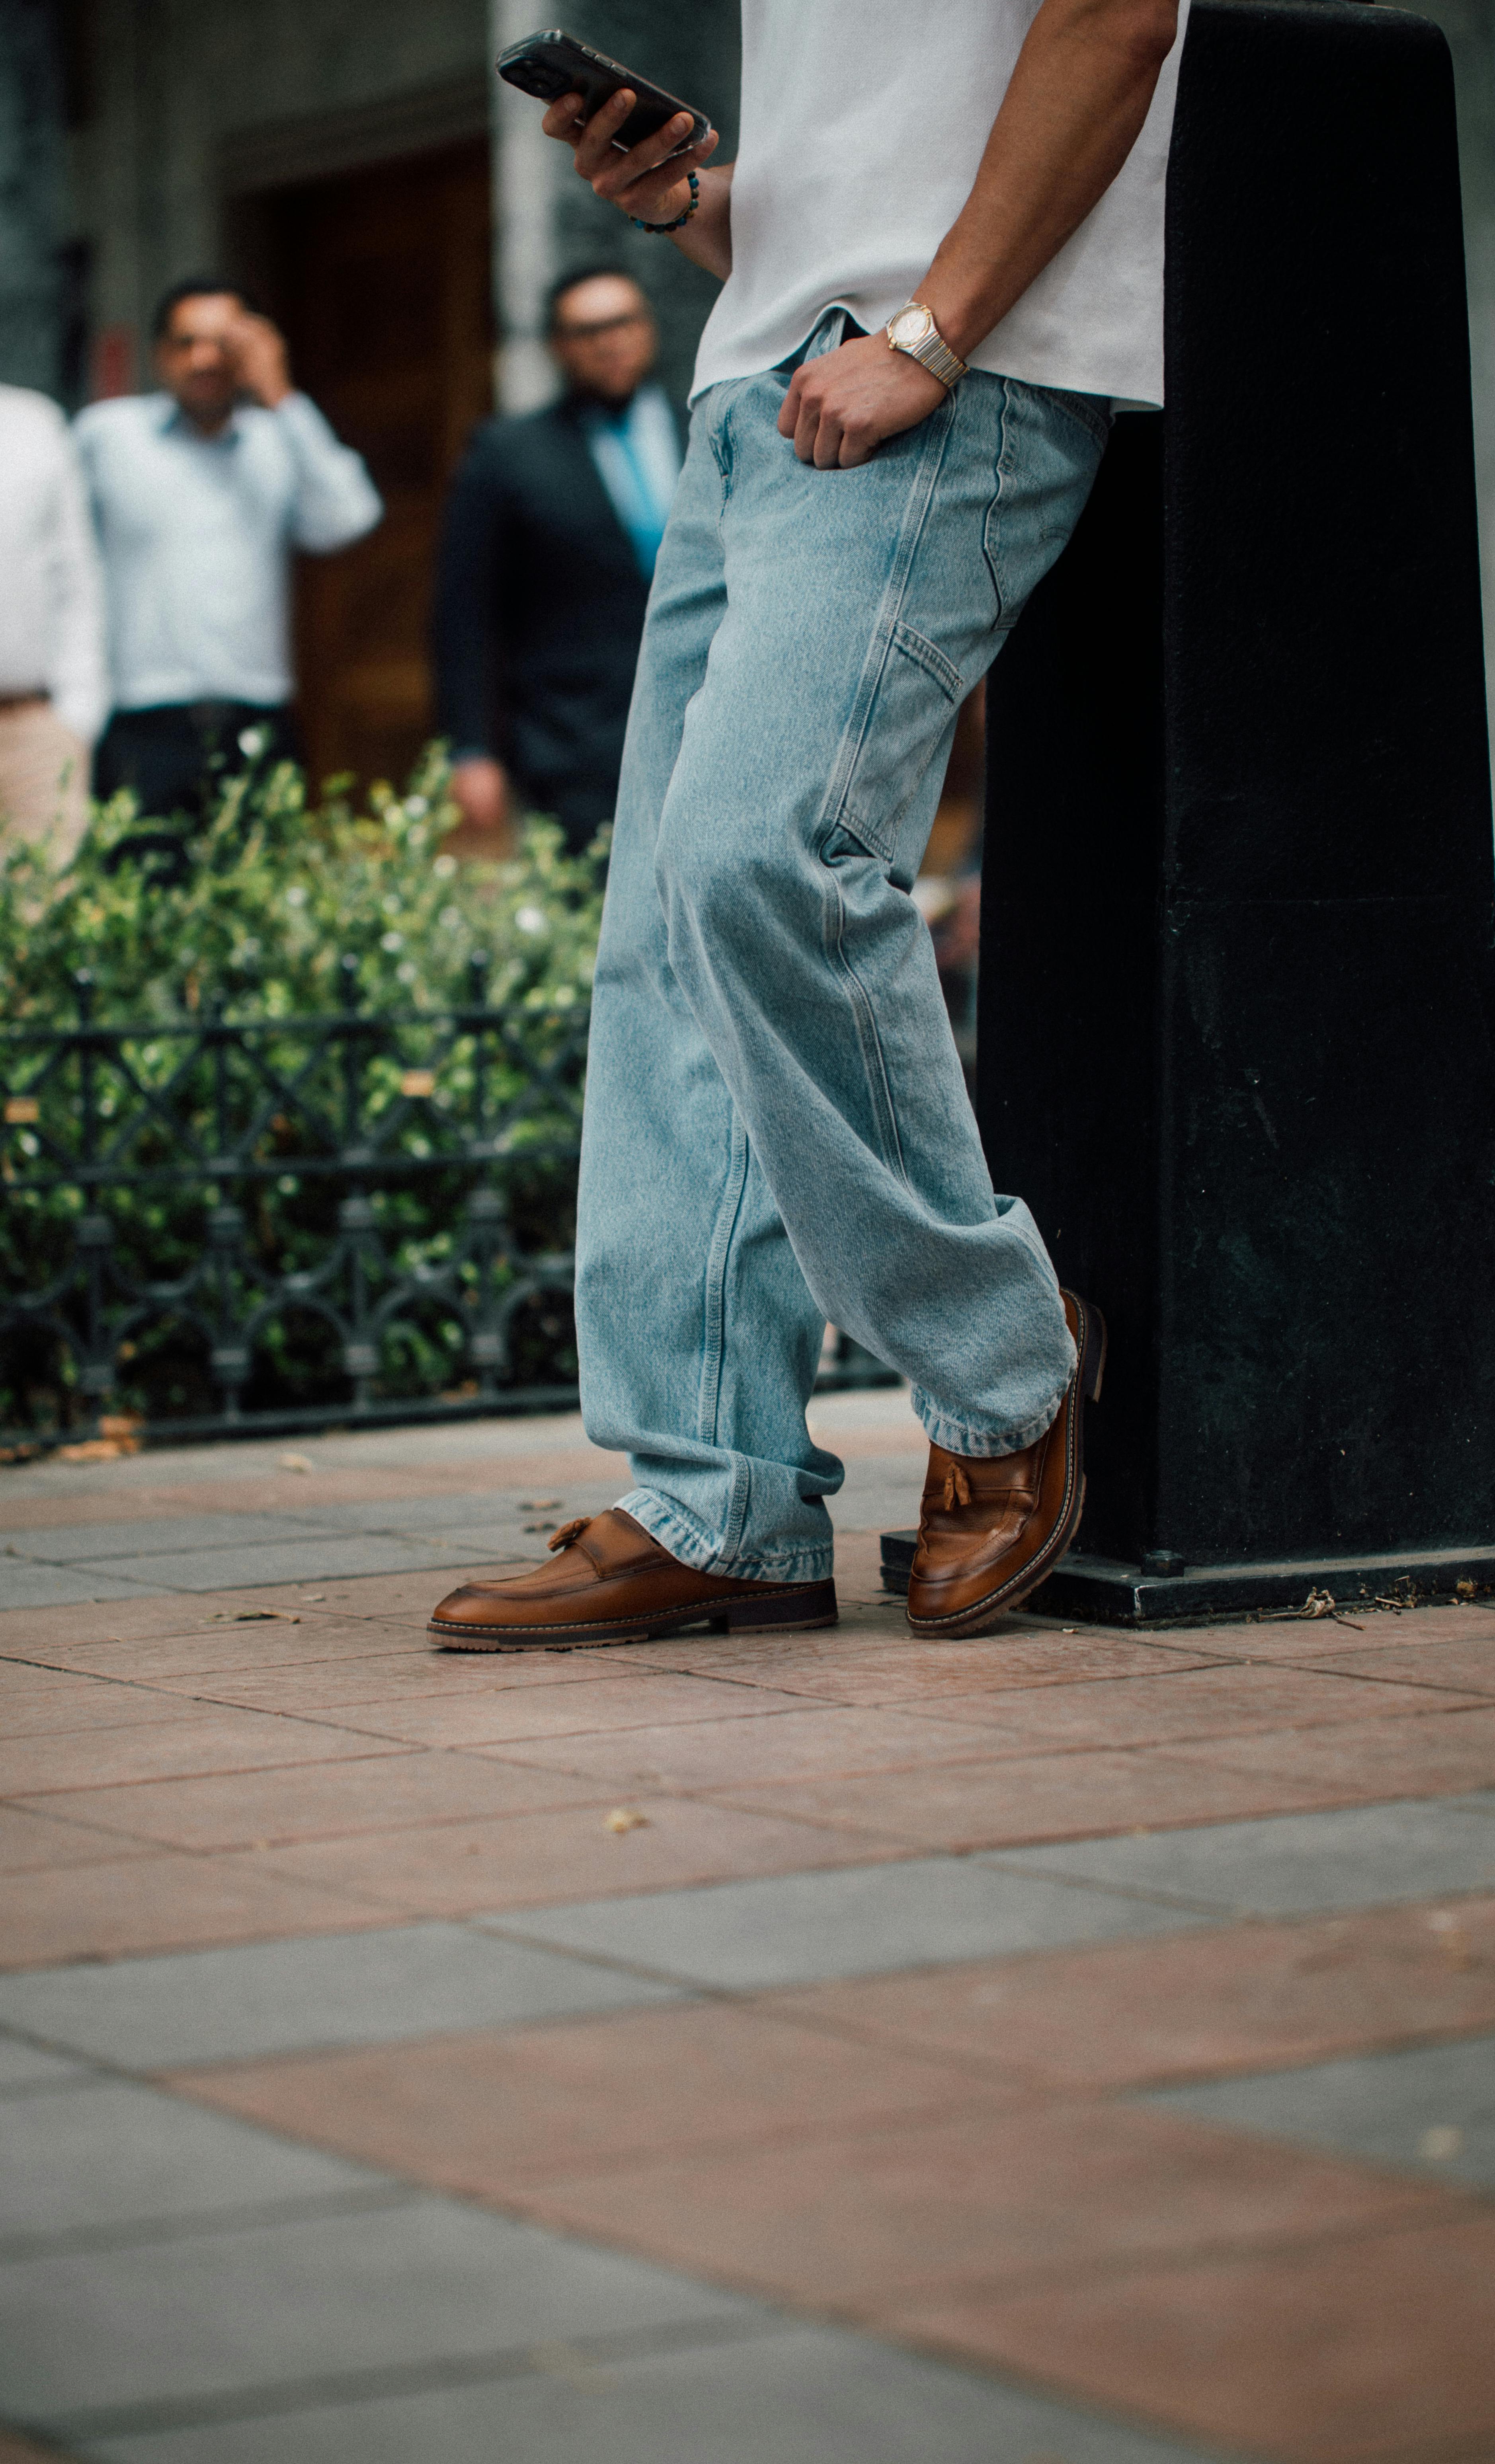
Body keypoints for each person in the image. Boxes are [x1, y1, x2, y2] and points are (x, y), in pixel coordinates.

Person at [429, 0, 1185, 1654]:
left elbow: (1122, 19)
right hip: (763, 380)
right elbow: (874, 145)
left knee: (762, 857)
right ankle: (723, 1493)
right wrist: (698, 202)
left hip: (948, 369)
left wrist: (932, 332)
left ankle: (1001, 1367)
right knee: (665, 933)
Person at [74, 278, 381, 835]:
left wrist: (283, 395)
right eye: (186, 342)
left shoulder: (277, 439)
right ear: (159, 355)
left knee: (259, 901)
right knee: (141, 903)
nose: (204, 359)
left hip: (257, 716)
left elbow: (349, 518)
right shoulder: (109, 437)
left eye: (224, 343)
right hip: (141, 719)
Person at [433, 267, 683, 853]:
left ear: (647, 329)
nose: (609, 341)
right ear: (557, 346)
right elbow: (464, 612)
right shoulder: (507, 454)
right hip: (570, 743)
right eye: (587, 330)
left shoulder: (700, 426)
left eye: (622, 322)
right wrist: (471, 750)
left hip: (706, 721)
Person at [0, 384, 108, 864]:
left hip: (31, 728)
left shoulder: (33, 423)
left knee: (44, 920)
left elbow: (76, 575)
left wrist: (77, 717)